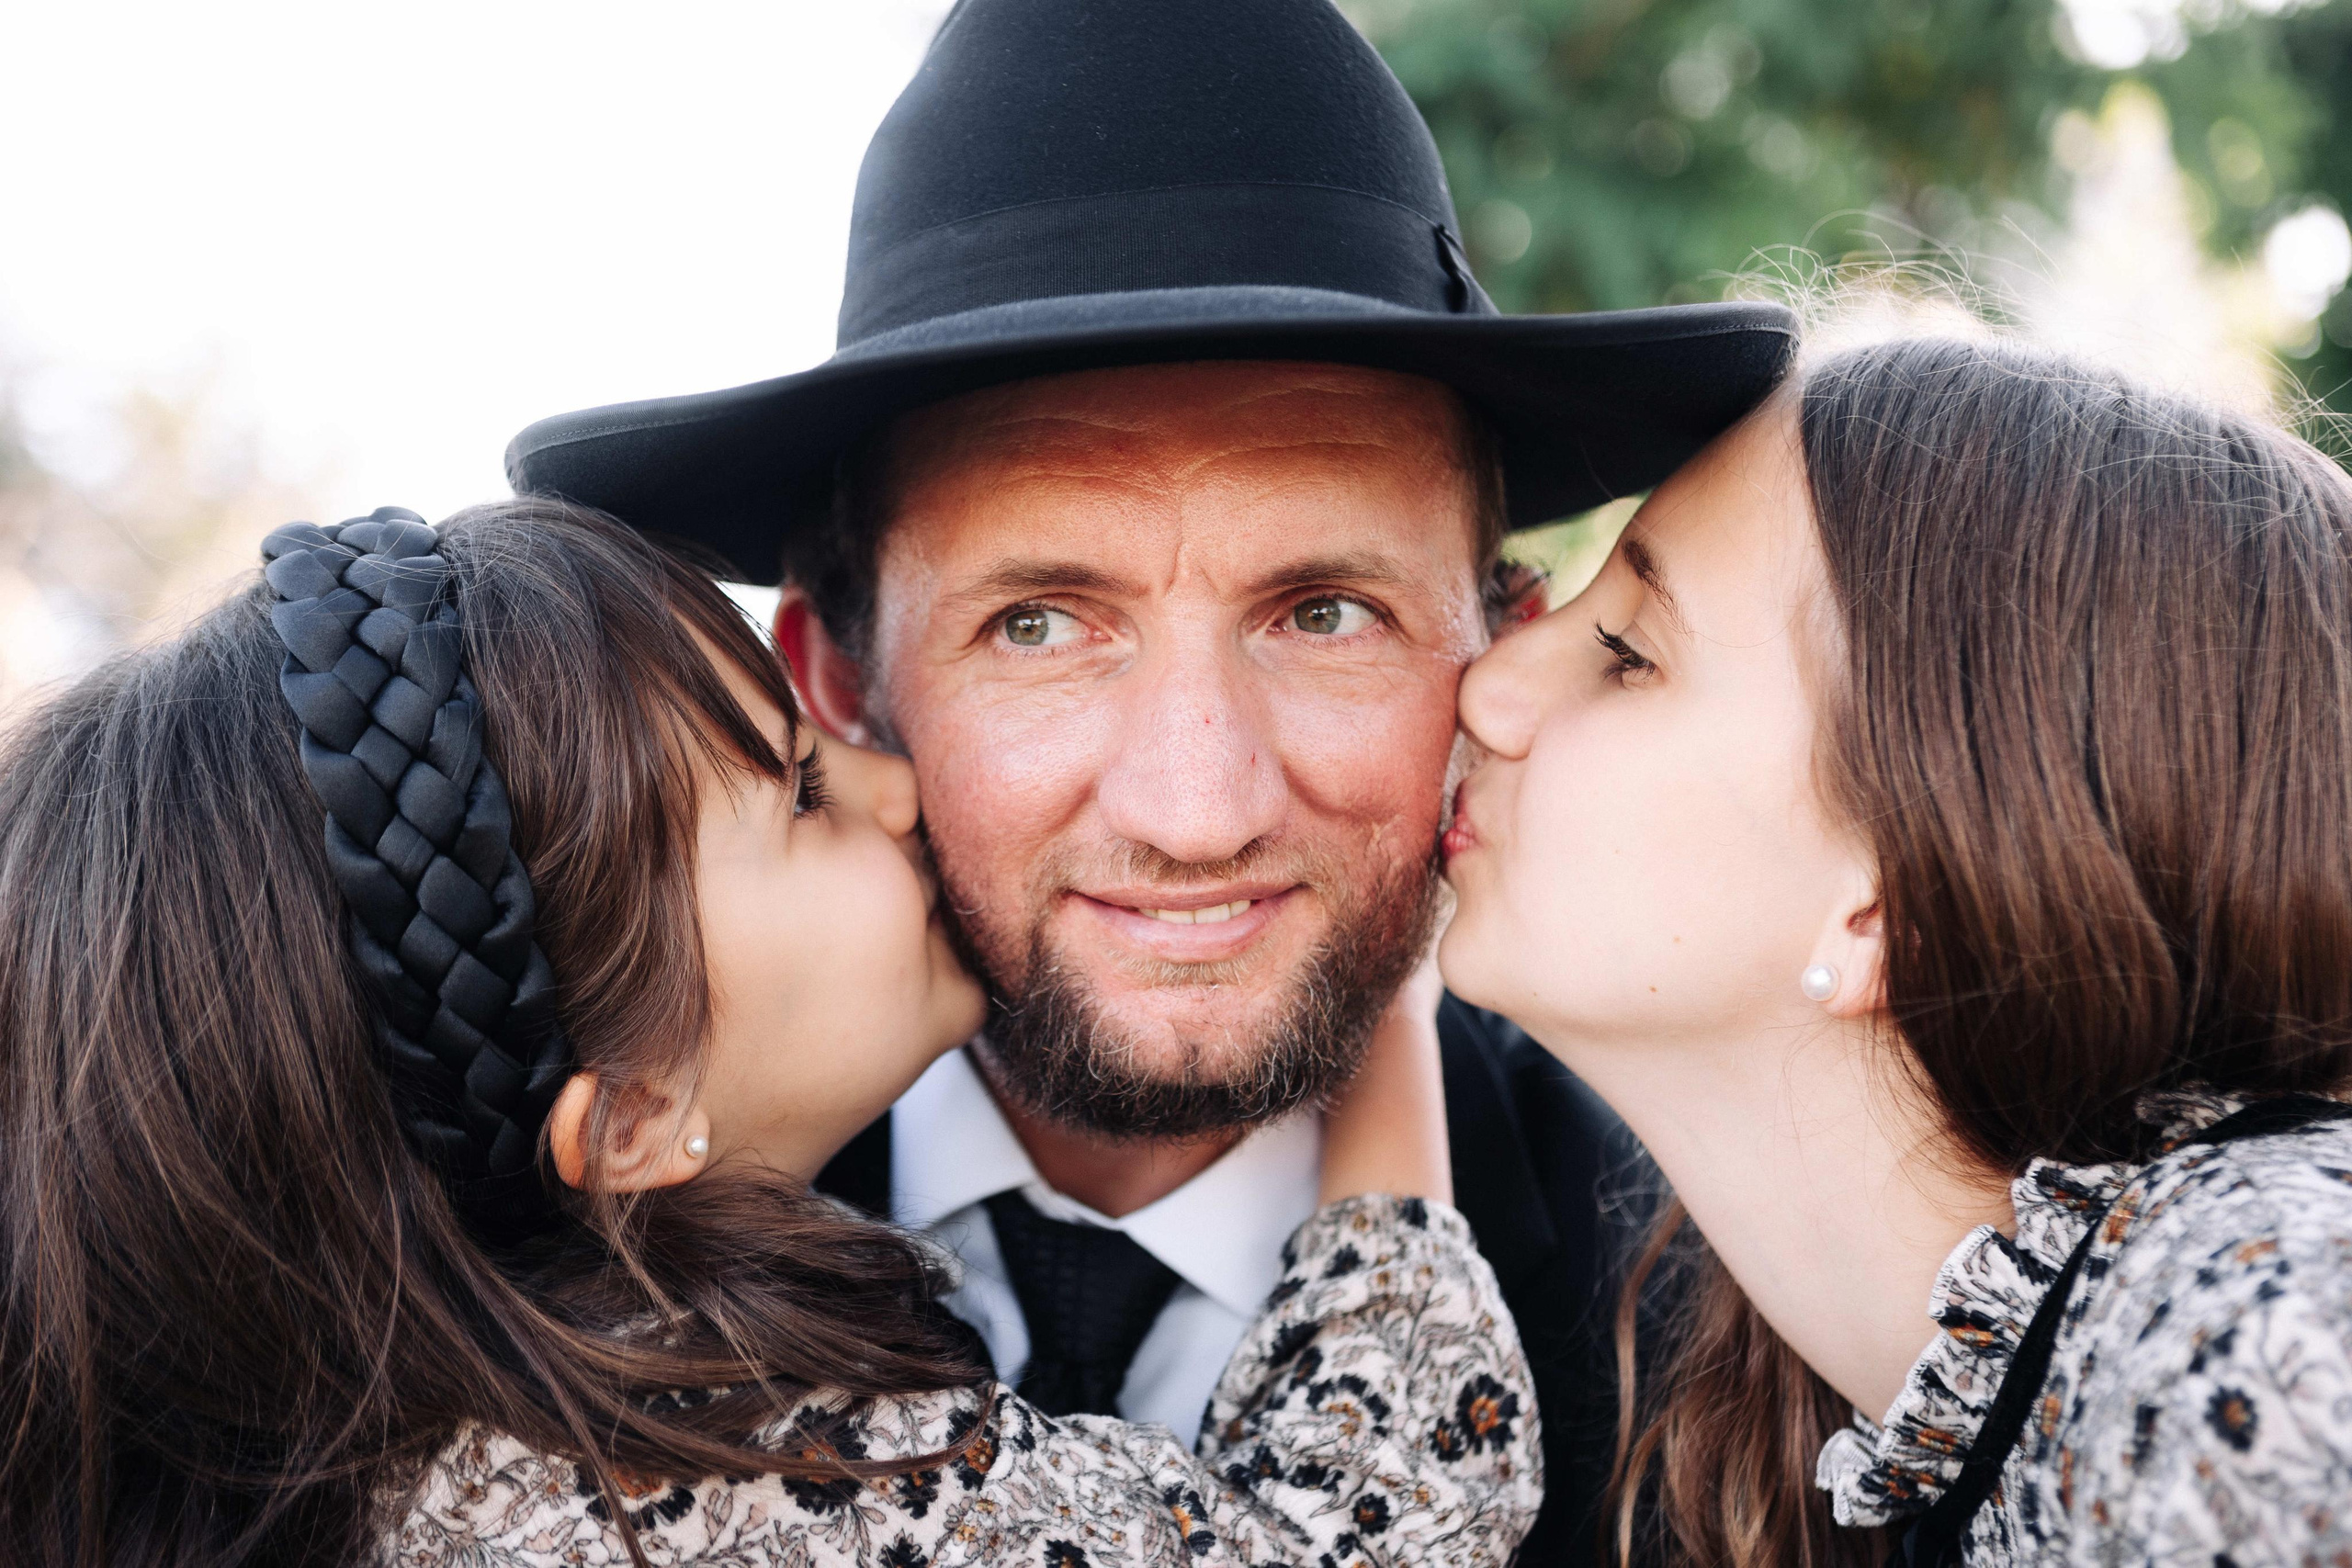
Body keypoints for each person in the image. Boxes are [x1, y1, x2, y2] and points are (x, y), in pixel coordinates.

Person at [505, 3, 1794, 1557]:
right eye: (1038, 625)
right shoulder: (529, 1271)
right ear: (840, 682)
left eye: (1328, 614)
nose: (1197, 811)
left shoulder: (1740, 1342)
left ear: (1497, 655)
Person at [0, 499, 1541, 1567]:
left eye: (1325, 611)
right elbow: (1377, 1519)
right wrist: (1386, 998)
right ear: (626, 1121)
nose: (892, 786)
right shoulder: (723, 1480)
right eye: (805, 790)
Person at [1439, 330, 2352, 1566]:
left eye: (1630, 654)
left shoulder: (2276, 1330)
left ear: (1894, 909)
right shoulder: (1920, 1417)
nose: (1487, 687)